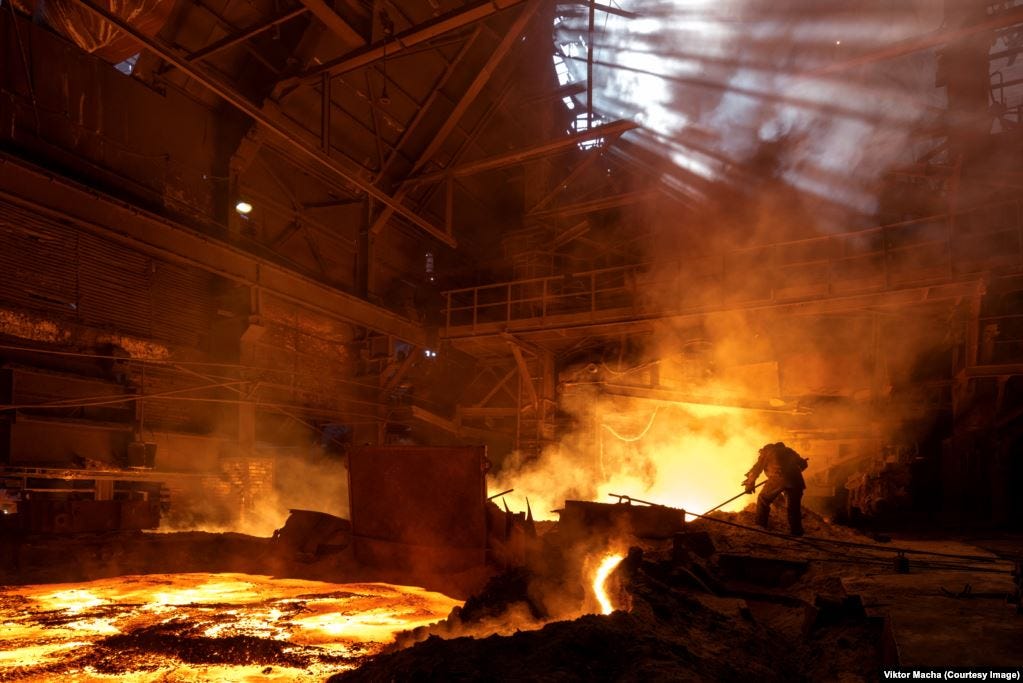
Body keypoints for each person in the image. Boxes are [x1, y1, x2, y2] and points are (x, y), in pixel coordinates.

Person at [743, 442, 809, 536]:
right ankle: (796, 532)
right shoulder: (789, 451)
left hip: (777, 478)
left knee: (763, 499)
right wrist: (795, 469)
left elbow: (756, 469)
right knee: (793, 507)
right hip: (796, 481)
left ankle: (760, 526)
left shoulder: (767, 453)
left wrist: (750, 483)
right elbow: (803, 464)